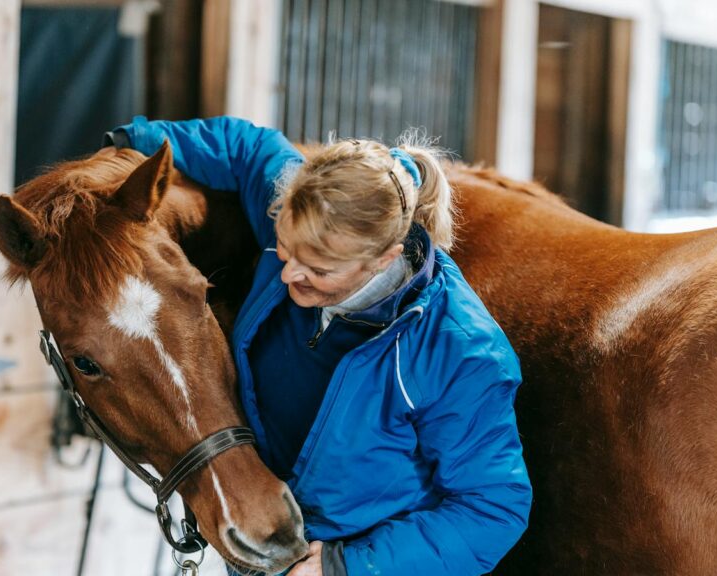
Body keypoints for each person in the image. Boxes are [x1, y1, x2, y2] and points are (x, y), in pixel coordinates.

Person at [104, 116, 532, 576]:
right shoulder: (305, 218)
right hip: (269, 541)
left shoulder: (460, 351)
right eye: (285, 251)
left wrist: (342, 566)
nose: (288, 276)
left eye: (319, 270)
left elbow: (493, 509)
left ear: (384, 257)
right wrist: (131, 141)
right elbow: (249, 148)